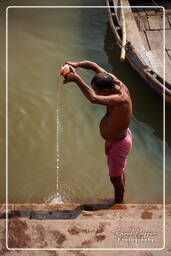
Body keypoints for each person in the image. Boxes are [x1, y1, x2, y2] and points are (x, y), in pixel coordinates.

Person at [62, 60, 132, 203]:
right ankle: (120, 190)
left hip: (120, 143)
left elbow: (93, 98)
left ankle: (119, 203)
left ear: (106, 91)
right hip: (114, 139)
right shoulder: (111, 80)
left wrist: (76, 79)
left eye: (97, 89)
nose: (94, 91)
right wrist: (77, 64)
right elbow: (93, 65)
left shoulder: (121, 98)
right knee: (117, 173)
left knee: (114, 177)